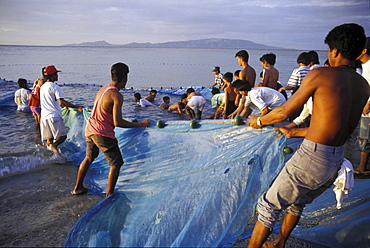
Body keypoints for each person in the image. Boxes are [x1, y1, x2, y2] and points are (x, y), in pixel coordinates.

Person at [246, 23, 368, 248]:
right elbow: (335, 127)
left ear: (334, 51)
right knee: (296, 203)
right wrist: (294, 131)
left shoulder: (321, 74)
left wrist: (259, 120)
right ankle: (280, 241)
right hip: (336, 159)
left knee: (268, 206)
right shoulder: (363, 85)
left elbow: (284, 111)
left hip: (312, 157)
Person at [72, 62, 150, 197]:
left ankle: (77, 187)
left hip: (90, 129)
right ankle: (109, 194)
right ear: (125, 78)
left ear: (111, 76)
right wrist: (141, 125)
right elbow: (117, 122)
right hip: (103, 133)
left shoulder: (103, 89)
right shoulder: (117, 95)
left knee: (89, 158)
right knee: (116, 163)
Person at [40, 65, 83, 156]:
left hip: (44, 118)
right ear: (52, 75)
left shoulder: (42, 87)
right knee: (62, 137)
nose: (57, 76)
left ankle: (53, 157)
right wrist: (76, 106)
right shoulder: (55, 86)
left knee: (49, 140)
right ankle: (54, 147)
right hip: (54, 116)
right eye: (56, 74)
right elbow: (61, 102)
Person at [356, 37, 370, 175]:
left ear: (364, 50)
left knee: (364, 139)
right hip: (364, 109)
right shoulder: (364, 66)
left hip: (368, 111)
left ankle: (362, 168)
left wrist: (368, 103)